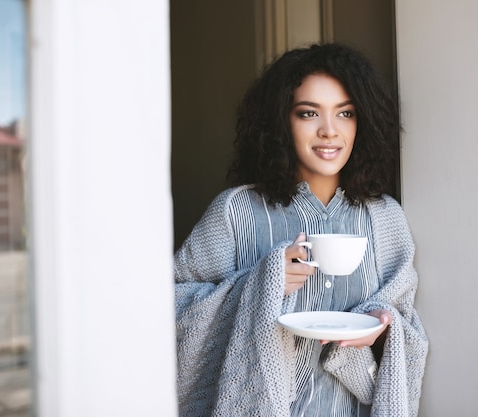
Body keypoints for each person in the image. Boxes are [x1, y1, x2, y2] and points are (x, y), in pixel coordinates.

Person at [174, 43, 428, 417]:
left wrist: (382, 327)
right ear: (280, 122)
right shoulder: (236, 212)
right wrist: (261, 281)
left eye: (345, 113)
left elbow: (407, 330)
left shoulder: (385, 219)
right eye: (309, 113)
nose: (329, 131)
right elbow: (169, 309)